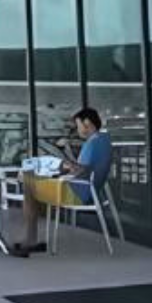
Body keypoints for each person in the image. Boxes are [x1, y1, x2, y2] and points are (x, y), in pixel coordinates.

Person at [9, 107, 113, 257]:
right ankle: (32, 235)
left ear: (87, 122)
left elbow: (80, 170)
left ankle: (30, 240)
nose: (77, 130)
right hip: (90, 191)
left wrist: (65, 165)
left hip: (77, 193)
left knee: (28, 184)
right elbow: (88, 169)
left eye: (78, 125)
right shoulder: (104, 140)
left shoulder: (93, 143)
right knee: (35, 181)